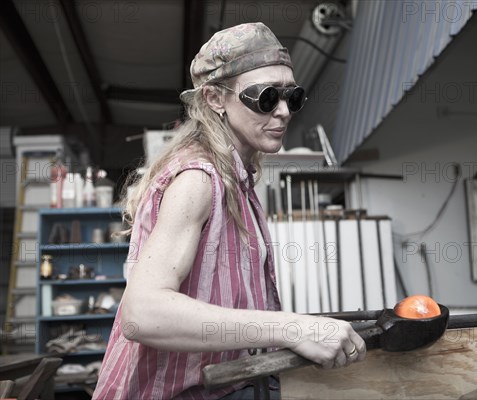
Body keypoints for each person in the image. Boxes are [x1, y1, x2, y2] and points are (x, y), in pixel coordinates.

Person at [93, 22, 366, 400]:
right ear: (215, 100)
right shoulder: (198, 180)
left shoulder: (238, 179)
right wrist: (292, 328)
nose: (284, 111)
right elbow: (143, 314)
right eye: (266, 97)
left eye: (293, 96)